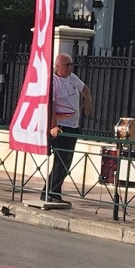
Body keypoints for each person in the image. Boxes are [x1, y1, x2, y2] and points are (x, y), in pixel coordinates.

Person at [42, 53, 93, 204]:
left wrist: (87, 101)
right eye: (67, 65)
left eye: (71, 64)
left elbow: (85, 89)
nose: (70, 67)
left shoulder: (72, 78)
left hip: (73, 126)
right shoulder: (53, 81)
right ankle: (51, 192)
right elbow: (50, 105)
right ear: (58, 66)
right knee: (61, 160)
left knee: (66, 160)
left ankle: (50, 191)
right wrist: (53, 126)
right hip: (61, 127)